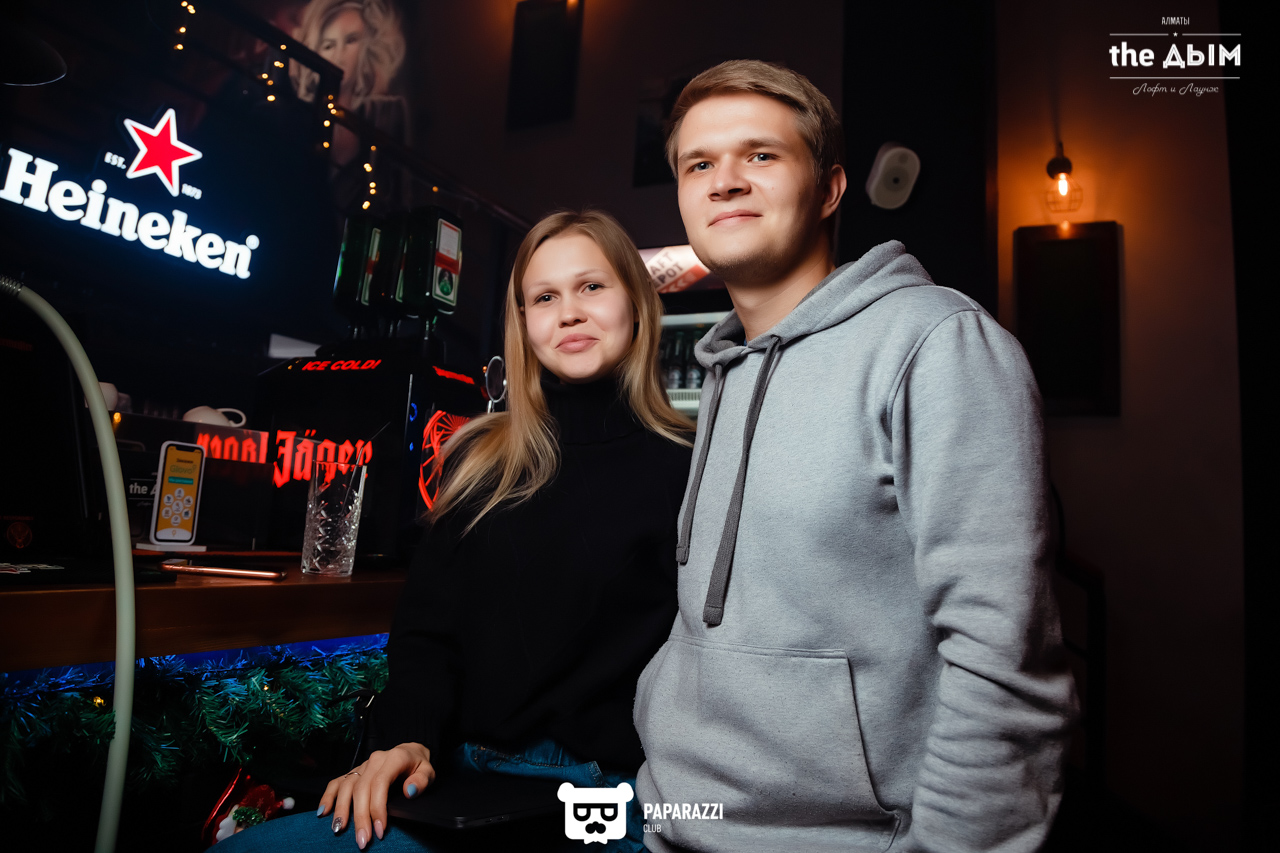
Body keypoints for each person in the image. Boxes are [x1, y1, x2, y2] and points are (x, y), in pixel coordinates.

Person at [632, 60, 1077, 853]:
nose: (725, 180)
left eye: (760, 154)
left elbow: (1004, 658)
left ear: (831, 189)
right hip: (674, 823)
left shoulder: (936, 342)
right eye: (699, 164)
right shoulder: (723, 373)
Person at [218, 209, 692, 851]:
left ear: (636, 303)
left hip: (603, 794)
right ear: (523, 323)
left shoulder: (689, 465)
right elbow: (428, 633)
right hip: (455, 777)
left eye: (591, 286)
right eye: (544, 297)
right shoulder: (479, 457)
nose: (568, 313)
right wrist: (406, 741)